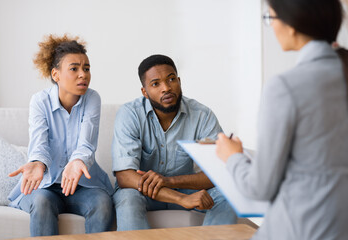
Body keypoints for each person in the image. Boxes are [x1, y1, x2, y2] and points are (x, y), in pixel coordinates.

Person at [216, 0, 348, 239]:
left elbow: (259, 187)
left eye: (271, 18)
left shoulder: (285, 87)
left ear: (292, 24)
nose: (272, 26)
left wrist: (231, 156)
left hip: (299, 228)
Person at [112, 54, 237, 231]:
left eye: (171, 79)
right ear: (144, 92)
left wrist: (169, 182)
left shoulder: (202, 115)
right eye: (156, 84)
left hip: (183, 187)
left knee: (229, 194)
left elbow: (218, 173)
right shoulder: (129, 114)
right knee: (128, 198)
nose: (166, 88)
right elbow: (125, 177)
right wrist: (179, 199)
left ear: (179, 81)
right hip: (141, 192)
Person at [8, 34, 114, 236]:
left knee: (103, 203)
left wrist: (77, 162)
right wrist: (38, 162)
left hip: (83, 186)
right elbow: (39, 143)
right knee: (41, 201)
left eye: (86, 68)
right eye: (74, 69)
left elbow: (86, 144)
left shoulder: (92, 98)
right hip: (46, 185)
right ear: (56, 75)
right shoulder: (39, 101)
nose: (83, 74)